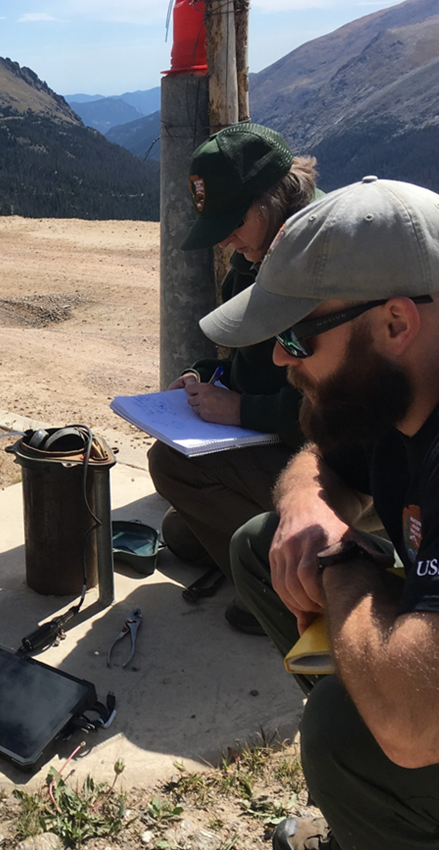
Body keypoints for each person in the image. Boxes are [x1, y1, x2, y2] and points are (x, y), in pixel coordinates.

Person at [200, 176, 439, 850]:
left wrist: (344, 559)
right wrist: (305, 507)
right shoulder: (410, 380)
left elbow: (421, 724)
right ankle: (391, 806)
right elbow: (319, 460)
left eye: (293, 334)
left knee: (346, 733)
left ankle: (386, 782)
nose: (281, 360)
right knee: (268, 548)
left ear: (395, 322)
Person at [147, 122, 315, 633]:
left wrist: (241, 410)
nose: (225, 239)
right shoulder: (258, 252)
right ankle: (262, 553)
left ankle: (276, 597)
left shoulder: (320, 266)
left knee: (173, 466)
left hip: (328, 463)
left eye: (232, 221)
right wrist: (202, 375)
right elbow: (243, 351)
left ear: (268, 200)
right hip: (276, 439)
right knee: (181, 533)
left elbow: (345, 416)